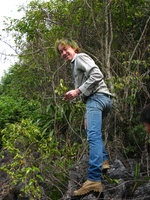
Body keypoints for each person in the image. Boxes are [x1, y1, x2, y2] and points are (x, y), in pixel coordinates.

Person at [55, 38, 113, 196]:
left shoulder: (80, 58)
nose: (64, 53)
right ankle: (104, 161)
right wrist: (81, 101)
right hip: (102, 99)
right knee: (92, 132)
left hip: (97, 98)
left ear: (74, 48)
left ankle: (94, 180)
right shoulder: (75, 63)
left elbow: (97, 75)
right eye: (61, 51)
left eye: (65, 49)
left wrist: (77, 91)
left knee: (93, 136)